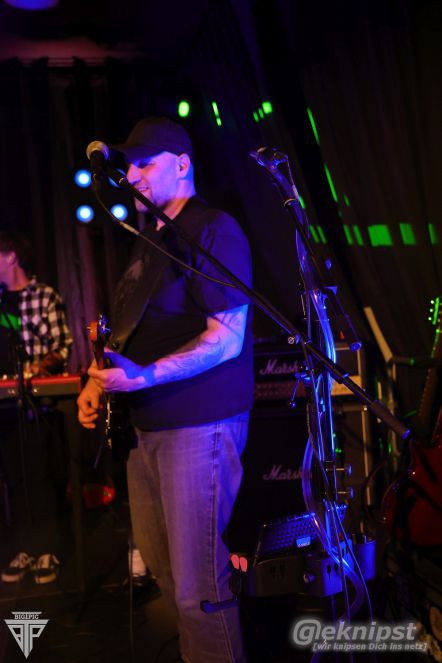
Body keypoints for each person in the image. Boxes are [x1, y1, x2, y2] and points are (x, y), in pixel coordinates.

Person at [77, 117, 253, 663]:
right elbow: (132, 330)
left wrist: (146, 376)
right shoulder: (150, 241)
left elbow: (227, 338)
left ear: (182, 164)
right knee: (167, 573)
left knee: (199, 588)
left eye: (143, 164)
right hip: (147, 427)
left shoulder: (212, 228)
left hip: (199, 425)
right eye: (129, 166)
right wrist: (96, 381)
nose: (131, 176)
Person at [0, 229, 73, 584]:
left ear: (11, 256)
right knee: (14, 477)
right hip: (5, 408)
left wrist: (34, 370)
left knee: (42, 474)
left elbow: (62, 347)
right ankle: (25, 548)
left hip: (38, 404)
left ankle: (48, 549)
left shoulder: (44, 296)